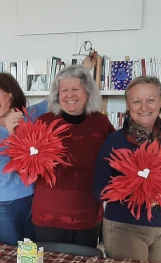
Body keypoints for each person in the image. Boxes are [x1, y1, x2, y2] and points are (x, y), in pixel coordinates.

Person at [0, 55, 98, 246]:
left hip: (31, 199)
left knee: (31, 256)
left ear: (10, 93)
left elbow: (60, 95)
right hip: (2, 204)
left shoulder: (31, 115)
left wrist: (84, 67)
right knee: (8, 257)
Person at [94, 76, 161, 263]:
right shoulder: (114, 141)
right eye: (137, 101)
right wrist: (137, 194)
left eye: (150, 100)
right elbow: (99, 191)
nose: (144, 107)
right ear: (128, 105)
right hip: (125, 227)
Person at [33, 65, 115, 247]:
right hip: (48, 215)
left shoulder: (101, 123)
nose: (70, 95)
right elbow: (28, 164)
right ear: (57, 95)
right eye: (64, 90)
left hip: (87, 214)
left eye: (76, 89)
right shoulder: (44, 122)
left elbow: (116, 159)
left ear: (88, 93)